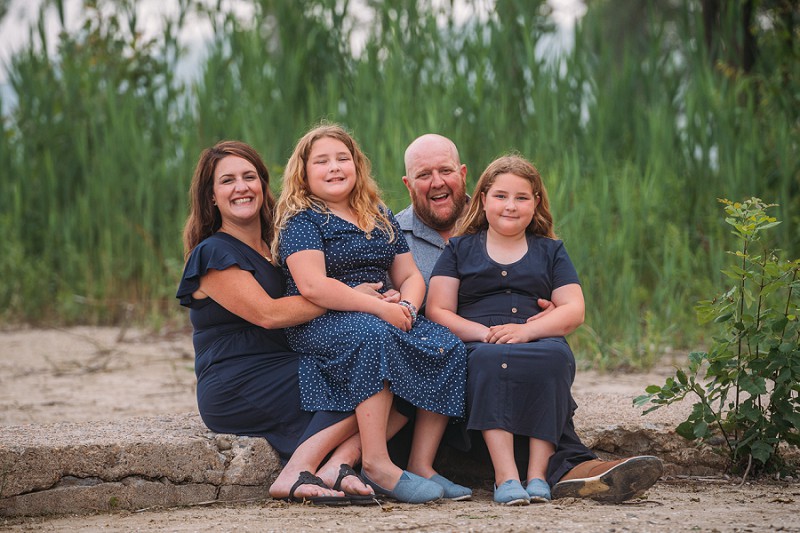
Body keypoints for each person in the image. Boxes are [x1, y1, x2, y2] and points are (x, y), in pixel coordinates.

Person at [397, 135, 663, 504]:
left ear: (464, 179)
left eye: (445, 171)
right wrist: (485, 332)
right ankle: (556, 471)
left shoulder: (547, 249)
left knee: (550, 358)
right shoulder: (401, 235)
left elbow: (573, 308)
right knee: (489, 364)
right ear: (485, 198)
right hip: (461, 355)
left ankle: (554, 475)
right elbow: (435, 309)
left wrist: (531, 329)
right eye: (424, 174)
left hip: (529, 344)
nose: (437, 181)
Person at [271, 123, 471, 504]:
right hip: (323, 320)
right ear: (304, 172)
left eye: (342, 159)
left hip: (380, 312)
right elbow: (313, 286)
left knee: (446, 345)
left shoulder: (376, 212)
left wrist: (409, 306)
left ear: (357, 166)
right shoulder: (302, 218)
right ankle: (376, 463)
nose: (334, 168)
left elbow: (410, 274)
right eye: (322, 161)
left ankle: (421, 463)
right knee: (375, 335)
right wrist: (380, 308)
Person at [176, 140, 379, 506]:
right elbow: (267, 314)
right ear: (211, 197)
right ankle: (296, 474)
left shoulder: (279, 246)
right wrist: (352, 297)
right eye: (227, 181)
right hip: (235, 380)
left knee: (393, 373)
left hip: (284, 368)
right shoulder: (212, 253)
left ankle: (336, 466)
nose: (241, 187)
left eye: (250, 177)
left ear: (263, 185)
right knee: (361, 376)